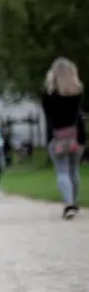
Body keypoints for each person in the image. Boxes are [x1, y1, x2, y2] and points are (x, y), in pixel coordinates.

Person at [41, 57, 85, 219]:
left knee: (62, 170)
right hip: (76, 135)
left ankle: (69, 204)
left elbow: (48, 118)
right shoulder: (78, 92)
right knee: (74, 170)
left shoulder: (48, 94)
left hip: (57, 137)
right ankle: (75, 202)